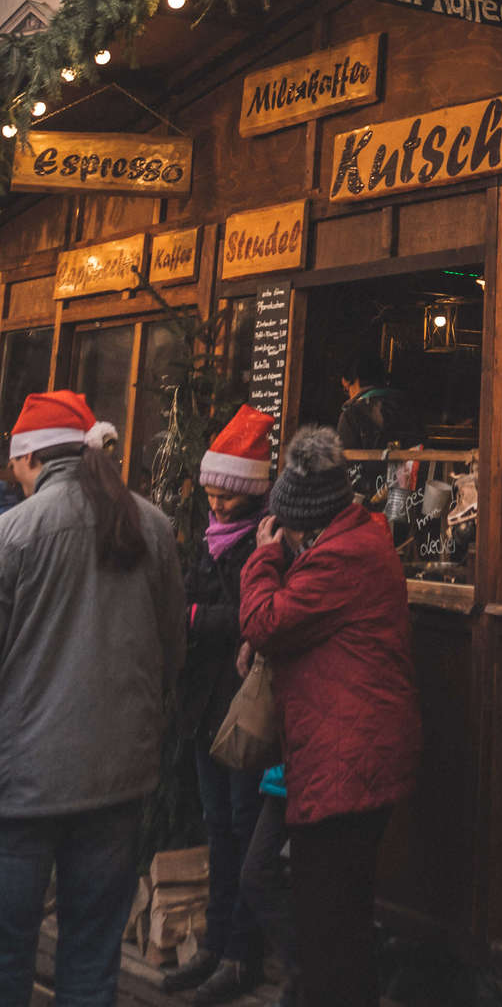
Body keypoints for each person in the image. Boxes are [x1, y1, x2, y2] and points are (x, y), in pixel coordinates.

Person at [0, 390, 184, 1007]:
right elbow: (171, 650)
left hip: (21, 785)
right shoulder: (152, 527)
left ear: (31, 461)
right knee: (90, 959)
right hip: (118, 781)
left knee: (6, 955)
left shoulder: (14, 533)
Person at [239, 426, 420, 1007]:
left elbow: (266, 620)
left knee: (330, 927)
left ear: (307, 523)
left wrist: (265, 558)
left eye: (290, 527)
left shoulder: (341, 557)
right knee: (338, 923)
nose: (286, 535)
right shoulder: (356, 541)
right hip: (348, 756)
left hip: (346, 762)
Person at [164, 406, 275, 1004]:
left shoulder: (261, 545)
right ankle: (213, 944)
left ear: (247, 493)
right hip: (205, 707)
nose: (215, 505)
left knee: (240, 825)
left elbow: (250, 617)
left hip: (241, 711)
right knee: (217, 826)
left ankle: (240, 955)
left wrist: (193, 619)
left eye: (225, 496)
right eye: (210, 494)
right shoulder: (210, 541)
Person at [238, 764, 296, 1007]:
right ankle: (301, 974)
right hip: (285, 776)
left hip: (328, 776)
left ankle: (303, 983)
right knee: (255, 875)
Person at [336, 354, 421, 452]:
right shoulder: (408, 407)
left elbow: (347, 464)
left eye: (346, 390)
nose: (350, 397)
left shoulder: (351, 415)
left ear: (348, 381)